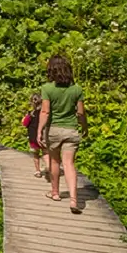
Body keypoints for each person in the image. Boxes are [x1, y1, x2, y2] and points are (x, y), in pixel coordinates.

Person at [36, 55, 88, 214]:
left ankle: (55, 192)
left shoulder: (47, 88)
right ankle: (73, 200)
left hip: (54, 131)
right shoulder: (76, 89)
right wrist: (85, 127)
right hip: (71, 130)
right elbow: (80, 113)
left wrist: (39, 131)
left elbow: (45, 111)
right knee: (69, 164)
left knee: (54, 161)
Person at [20, 93, 44, 177]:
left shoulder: (31, 114)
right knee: (46, 153)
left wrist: (24, 119)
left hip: (33, 137)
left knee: (36, 154)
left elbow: (25, 123)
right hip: (44, 136)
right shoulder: (45, 113)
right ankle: (49, 168)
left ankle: (37, 171)